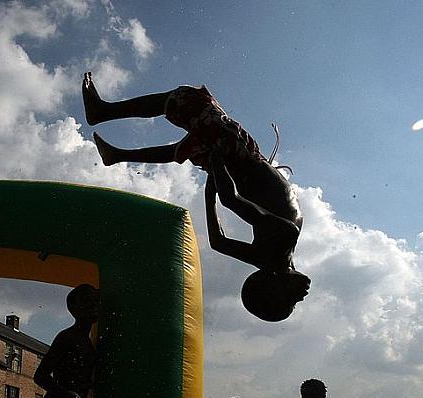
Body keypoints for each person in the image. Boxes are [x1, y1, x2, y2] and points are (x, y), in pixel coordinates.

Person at [82, 72, 310, 321]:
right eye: (293, 303)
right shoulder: (269, 258)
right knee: (190, 147)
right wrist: (210, 191)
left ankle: (102, 113)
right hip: (242, 163)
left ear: (273, 284)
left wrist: (216, 178)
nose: (301, 297)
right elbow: (219, 242)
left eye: (290, 299)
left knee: (190, 100)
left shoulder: (283, 238)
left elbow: (231, 201)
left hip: (240, 159)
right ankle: (117, 155)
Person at [30, 283, 99, 398]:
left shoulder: (88, 344)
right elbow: (40, 376)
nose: (94, 306)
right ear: (74, 308)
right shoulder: (66, 337)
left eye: (96, 301)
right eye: (87, 302)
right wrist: (72, 397)